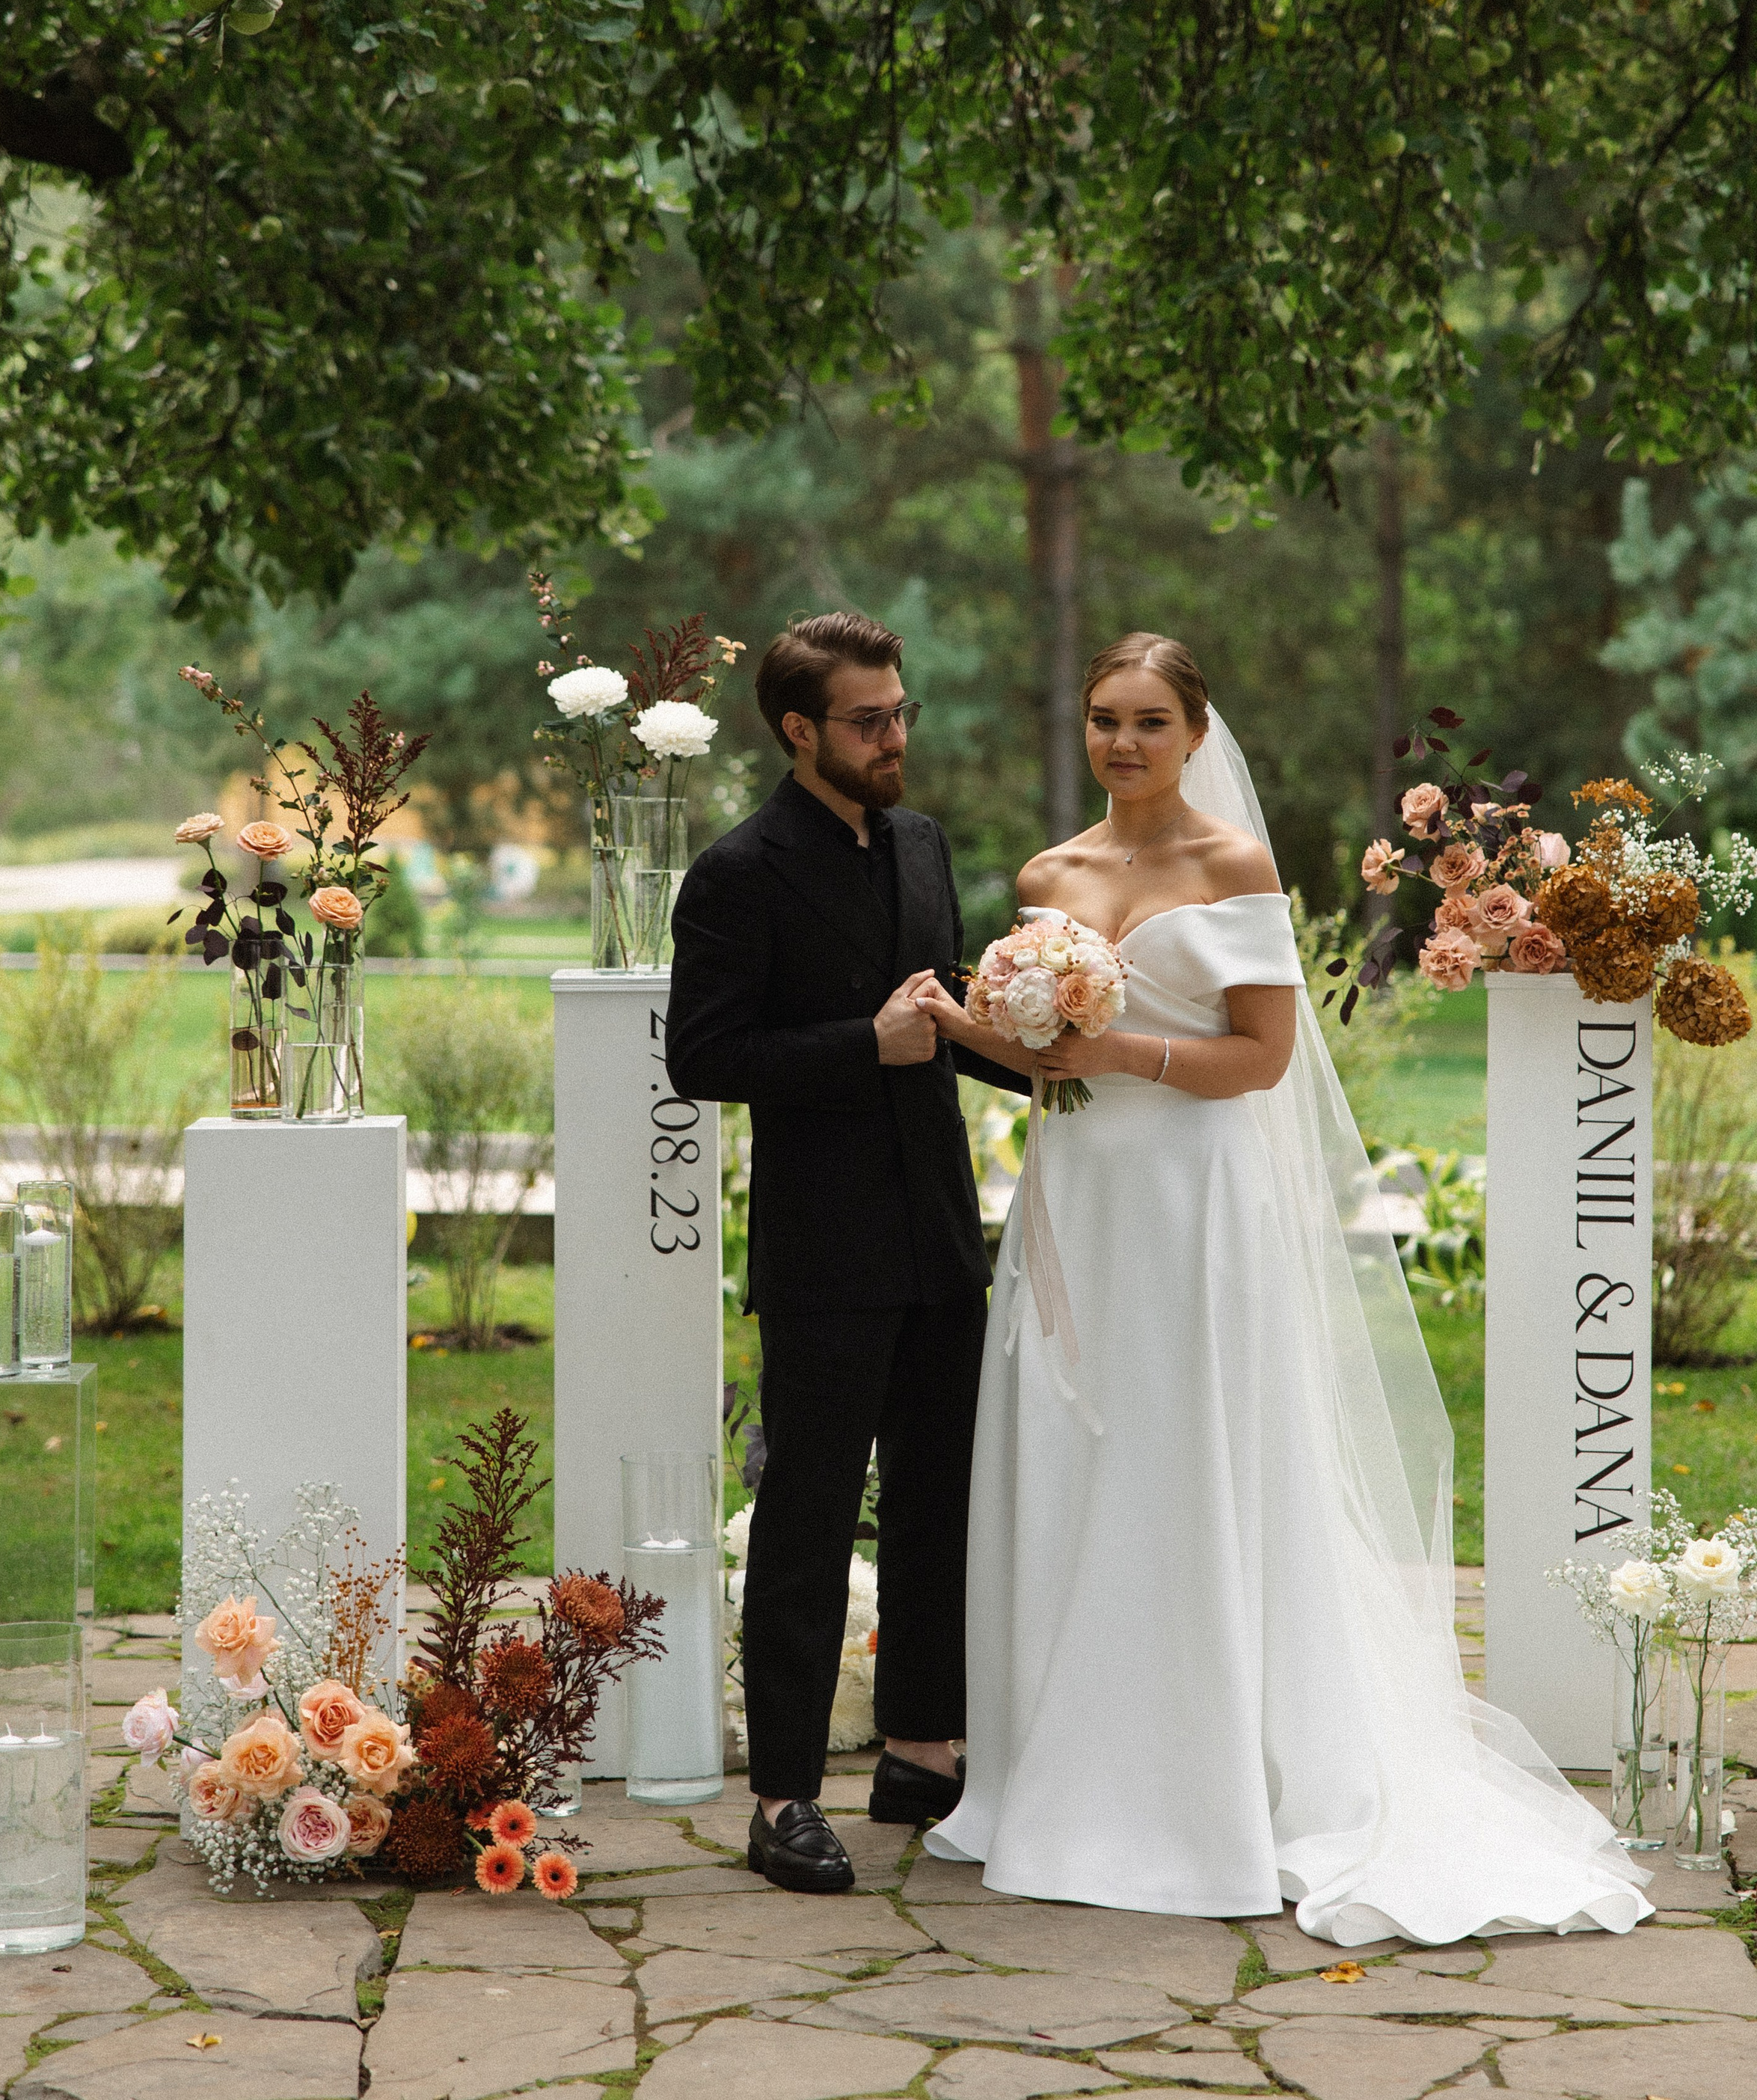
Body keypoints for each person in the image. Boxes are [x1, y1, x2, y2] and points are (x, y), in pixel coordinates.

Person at [913, 631, 1653, 1942]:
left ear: (1196, 732)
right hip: (1080, 1201)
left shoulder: (1235, 866)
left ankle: (1214, 1787)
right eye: (1103, 719)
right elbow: (1046, 1062)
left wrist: (1119, 1047)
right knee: (1074, 1456)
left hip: (1199, 1202)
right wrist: (981, 1026)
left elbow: (1258, 1059)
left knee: (1190, 1454)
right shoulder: (1049, 873)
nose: (1124, 742)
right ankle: (1060, 1768)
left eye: (1149, 719)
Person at [666, 611, 1028, 1894]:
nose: (896, 738)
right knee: (808, 1521)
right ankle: (780, 1800)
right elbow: (703, 1057)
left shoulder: (923, 844)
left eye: (902, 713)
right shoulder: (738, 872)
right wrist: (858, 1045)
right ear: (799, 730)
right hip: (824, 1249)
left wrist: (1062, 1064)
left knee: (942, 1497)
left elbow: (938, 1007)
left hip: (941, 1231)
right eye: (871, 720)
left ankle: (924, 1751)